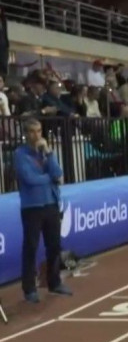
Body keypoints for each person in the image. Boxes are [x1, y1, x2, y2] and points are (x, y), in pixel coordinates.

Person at [14, 118, 73, 303]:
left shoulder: (45, 153)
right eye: (32, 131)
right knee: (30, 247)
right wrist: (50, 178)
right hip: (32, 207)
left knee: (54, 246)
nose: (36, 135)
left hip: (51, 204)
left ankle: (54, 282)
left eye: (39, 131)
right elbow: (30, 179)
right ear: (25, 134)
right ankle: (29, 289)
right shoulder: (20, 154)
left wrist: (49, 152)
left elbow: (58, 173)